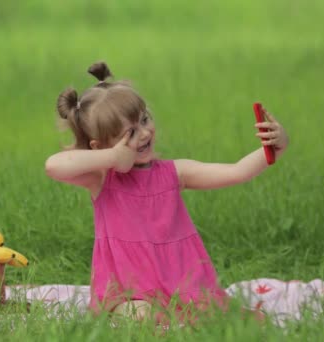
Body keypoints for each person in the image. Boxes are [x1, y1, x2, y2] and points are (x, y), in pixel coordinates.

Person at [44, 61, 289, 325]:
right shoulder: (102, 179)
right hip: (128, 293)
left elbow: (237, 171)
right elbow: (54, 166)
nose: (145, 132)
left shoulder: (175, 173)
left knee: (253, 322)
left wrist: (275, 147)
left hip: (182, 287)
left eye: (145, 119)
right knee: (144, 317)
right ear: (100, 145)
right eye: (131, 132)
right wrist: (113, 157)